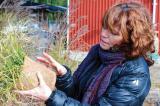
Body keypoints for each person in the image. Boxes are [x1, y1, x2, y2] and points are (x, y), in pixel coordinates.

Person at [15, 2, 155, 106]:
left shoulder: (135, 74)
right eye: (104, 27)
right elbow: (77, 94)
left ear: (131, 37)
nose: (103, 34)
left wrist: (51, 97)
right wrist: (64, 75)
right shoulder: (98, 52)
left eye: (113, 33)